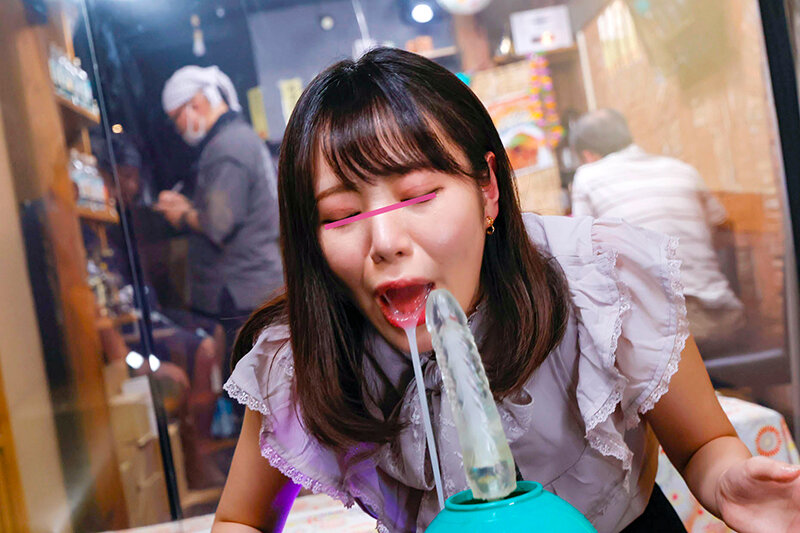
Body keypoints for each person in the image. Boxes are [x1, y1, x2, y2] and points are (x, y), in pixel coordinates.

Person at [213, 49, 800, 533]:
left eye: (419, 196)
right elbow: (241, 519)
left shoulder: (599, 280)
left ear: (487, 189)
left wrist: (729, 482)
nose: (385, 242)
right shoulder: (304, 355)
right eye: (341, 215)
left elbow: (702, 446)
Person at [569, 109, 745, 359]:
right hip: (725, 318)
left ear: (588, 154)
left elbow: (584, 257)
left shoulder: (587, 177)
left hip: (667, 335)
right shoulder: (682, 169)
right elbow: (722, 228)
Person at [156, 66, 283, 376]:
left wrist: (181, 215)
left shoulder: (226, 147)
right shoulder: (240, 138)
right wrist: (190, 206)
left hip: (242, 290)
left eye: (176, 118)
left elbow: (219, 224)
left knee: (250, 384)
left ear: (196, 104)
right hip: (254, 284)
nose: (178, 128)